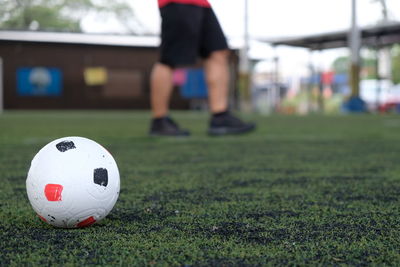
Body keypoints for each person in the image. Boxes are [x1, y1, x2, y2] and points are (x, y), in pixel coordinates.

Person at [150, 0, 256, 136]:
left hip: (202, 3)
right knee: (169, 58)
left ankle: (220, 116)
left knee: (218, 51)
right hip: (178, 2)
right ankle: (159, 121)